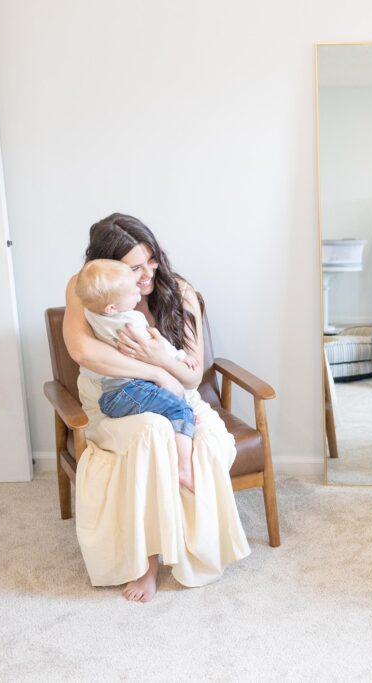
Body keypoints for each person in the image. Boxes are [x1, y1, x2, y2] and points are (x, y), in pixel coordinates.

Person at [63, 213, 250, 603]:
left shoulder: (178, 291)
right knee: (152, 432)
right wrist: (156, 371)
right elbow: (84, 351)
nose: (147, 273)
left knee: (204, 442)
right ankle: (144, 565)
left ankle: (193, 549)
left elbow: (191, 376)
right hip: (108, 400)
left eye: (151, 260)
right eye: (134, 267)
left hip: (179, 394)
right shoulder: (87, 290)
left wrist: (162, 358)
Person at [75, 258, 199, 493]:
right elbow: (157, 346)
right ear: (112, 307)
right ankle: (184, 468)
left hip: (114, 393)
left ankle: (182, 423)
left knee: (169, 401)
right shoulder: (130, 321)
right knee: (180, 409)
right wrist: (182, 357)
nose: (138, 293)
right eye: (132, 291)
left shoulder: (91, 313)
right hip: (130, 391)